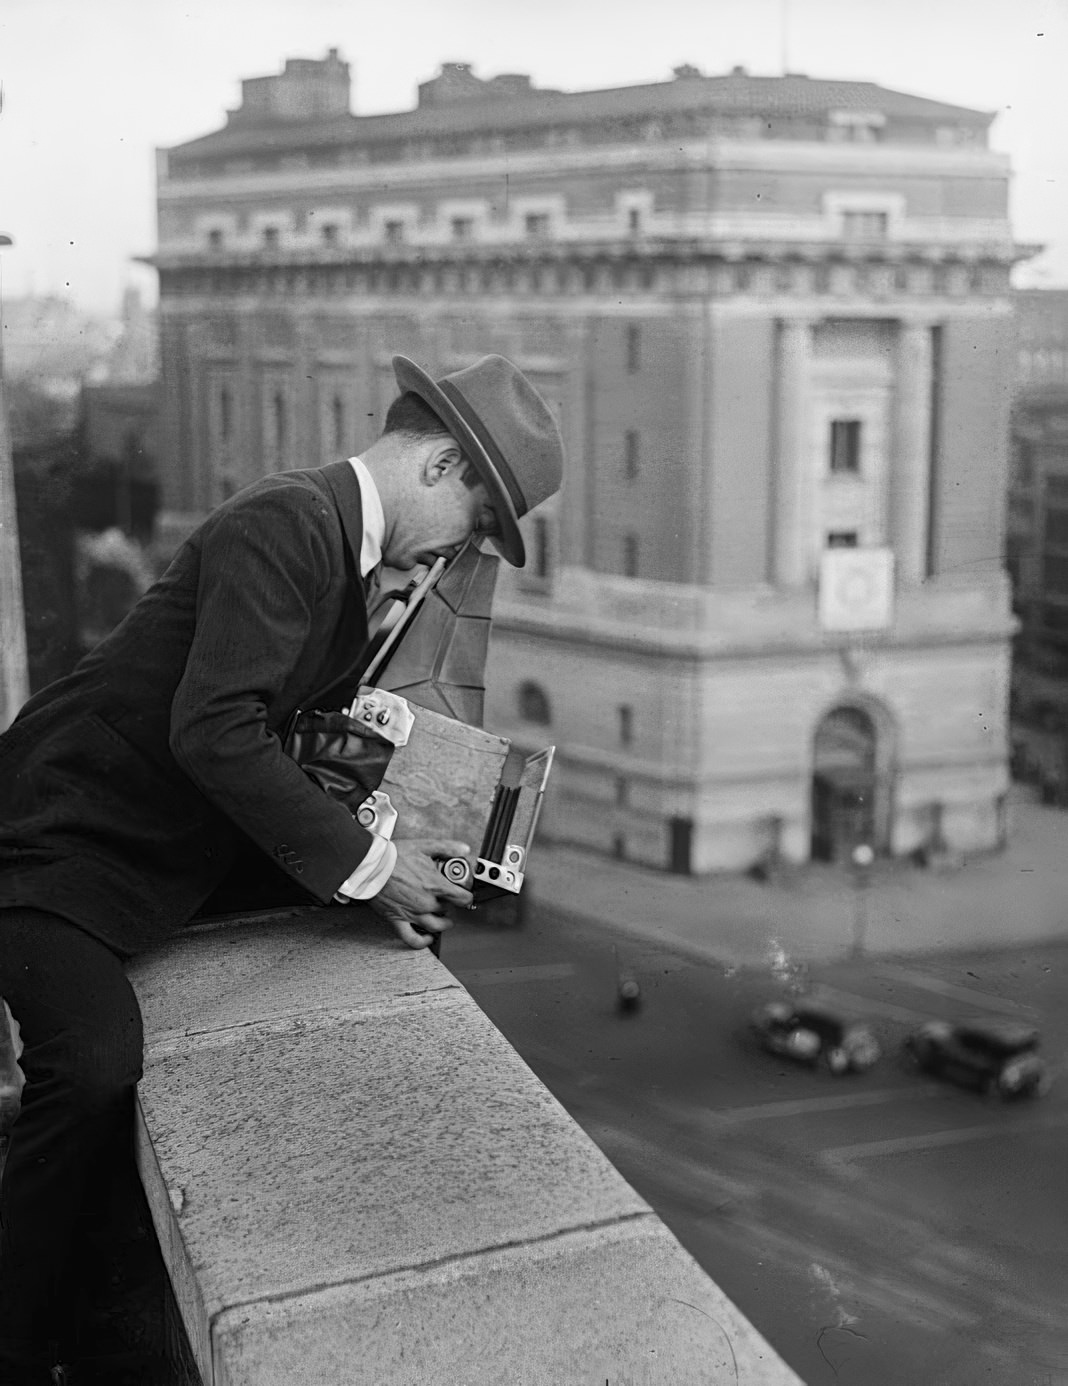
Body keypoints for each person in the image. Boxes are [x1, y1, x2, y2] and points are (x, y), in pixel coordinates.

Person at [0, 352, 565, 1384]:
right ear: (442, 465)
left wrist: (400, 848)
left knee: (353, 906)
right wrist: (370, 870)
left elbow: (288, 747)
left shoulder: (339, 562)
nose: (463, 553)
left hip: (150, 846)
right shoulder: (289, 524)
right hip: (54, 843)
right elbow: (215, 734)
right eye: (480, 526)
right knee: (91, 1066)